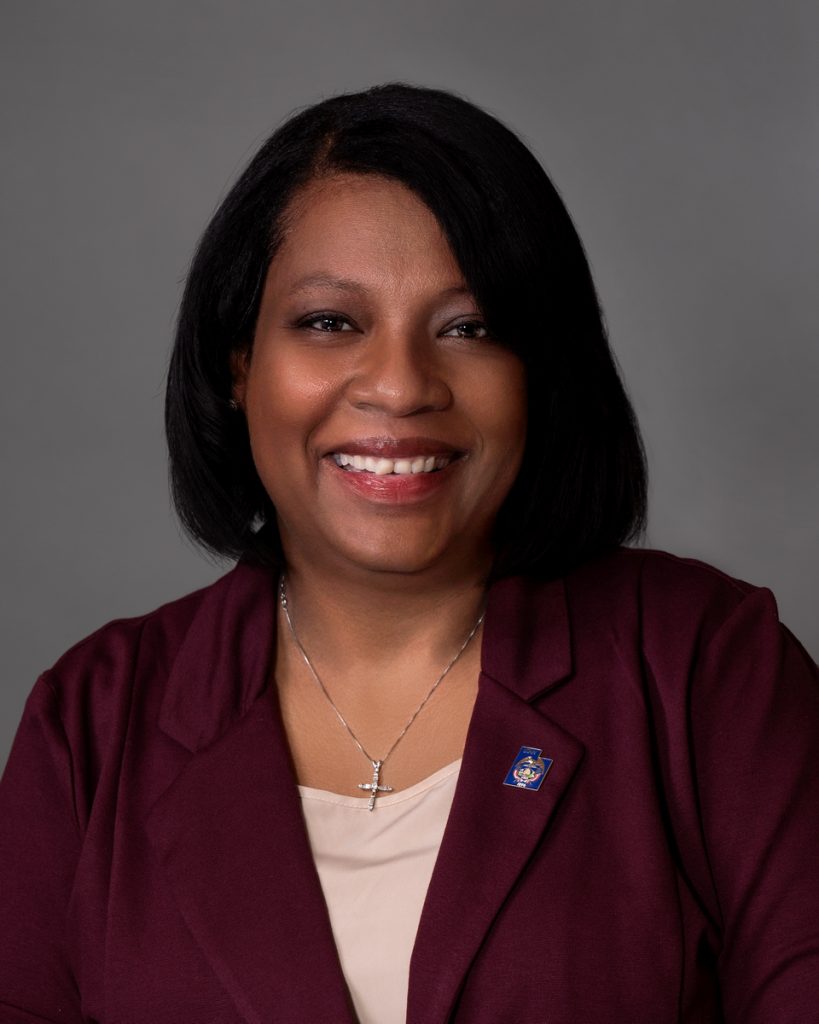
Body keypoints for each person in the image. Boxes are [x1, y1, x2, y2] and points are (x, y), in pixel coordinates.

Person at [0, 82, 817, 1024]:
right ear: (238, 365)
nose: (398, 386)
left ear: (541, 373)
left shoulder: (707, 669)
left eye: (470, 328)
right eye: (329, 322)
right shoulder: (92, 724)